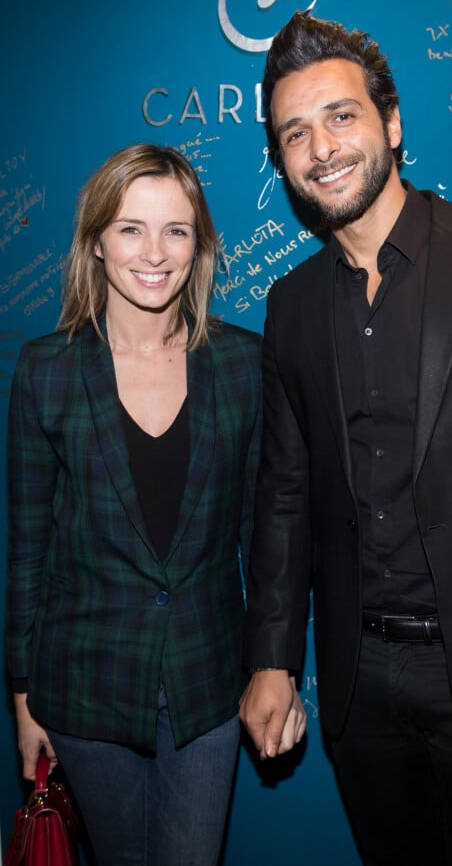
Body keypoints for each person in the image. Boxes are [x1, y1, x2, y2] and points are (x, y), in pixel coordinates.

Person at [239, 10, 452, 866]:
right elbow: (283, 495)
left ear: (391, 122)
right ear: (281, 159)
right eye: (295, 133)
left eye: (341, 116)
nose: (321, 148)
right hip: (361, 685)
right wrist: (274, 658)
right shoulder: (289, 306)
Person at [6, 143, 262, 866]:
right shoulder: (46, 372)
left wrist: (272, 667)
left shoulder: (242, 365)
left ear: (199, 245)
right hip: (84, 685)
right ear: (96, 241)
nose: (155, 252)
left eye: (176, 230)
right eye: (130, 228)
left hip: (207, 684)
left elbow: (262, 537)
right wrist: (23, 704)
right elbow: (27, 550)